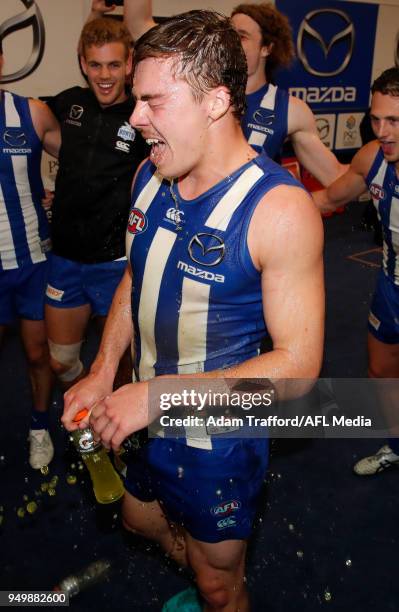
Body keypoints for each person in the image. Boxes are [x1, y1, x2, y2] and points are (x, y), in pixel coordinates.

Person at [62, 11, 324, 610]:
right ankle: (206, 558)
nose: (134, 118)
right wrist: (105, 368)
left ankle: (219, 580)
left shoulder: (279, 209)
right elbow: (139, 270)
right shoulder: (151, 176)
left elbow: (302, 369)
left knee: (217, 585)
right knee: (135, 519)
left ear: (215, 101)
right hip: (139, 409)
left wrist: (159, 397)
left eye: (153, 100)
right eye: (135, 99)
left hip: (219, 437)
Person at [124, 0, 345, 186]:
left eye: (242, 35)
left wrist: (302, 205)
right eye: (230, 33)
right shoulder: (192, 84)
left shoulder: (291, 109)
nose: (232, 41)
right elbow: (138, 24)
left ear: (266, 48)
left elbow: (334, 176)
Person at [44, 7, 148, 389]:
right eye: (96, 65)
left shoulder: (143, 113)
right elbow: (24, 130)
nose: (105, 75)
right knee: (60, 361)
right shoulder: (67, 103)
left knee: (120, 364)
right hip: (66, 257)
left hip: (117, 262)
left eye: (114, 64)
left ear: (129, 63)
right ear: (83, 65)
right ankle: (88, 411)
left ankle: (110, 426)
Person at [313, 67, 399, 476]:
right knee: (380, 371)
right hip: (390, 286)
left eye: (394, 121)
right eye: (376, 118)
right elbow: (329, 198)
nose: (382, 131)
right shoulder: (372, 158)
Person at [0, 46, 60, 469]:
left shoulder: (32, 113)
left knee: (40, 354)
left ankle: (39, 426)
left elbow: (84, 160)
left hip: (33, 262)